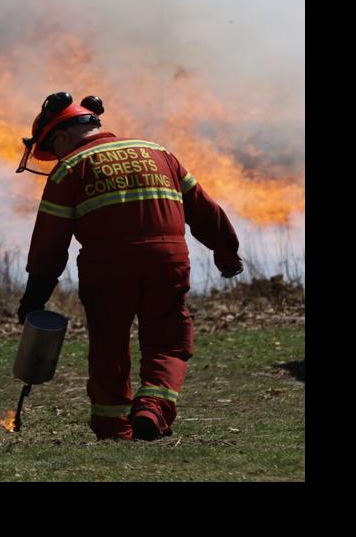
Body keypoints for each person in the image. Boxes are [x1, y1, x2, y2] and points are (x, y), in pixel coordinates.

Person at [17, 92, 244, 441]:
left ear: (61, 137)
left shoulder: (69, 170)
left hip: (107, 267)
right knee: (168, 341)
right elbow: (203, 208)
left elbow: (49, 246)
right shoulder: (159, 153)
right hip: (167, 261)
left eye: (54, 149)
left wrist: (34, 299)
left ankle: (112, 427)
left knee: (109, 344)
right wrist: (226, 252)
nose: (56, 157)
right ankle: (153, 409)